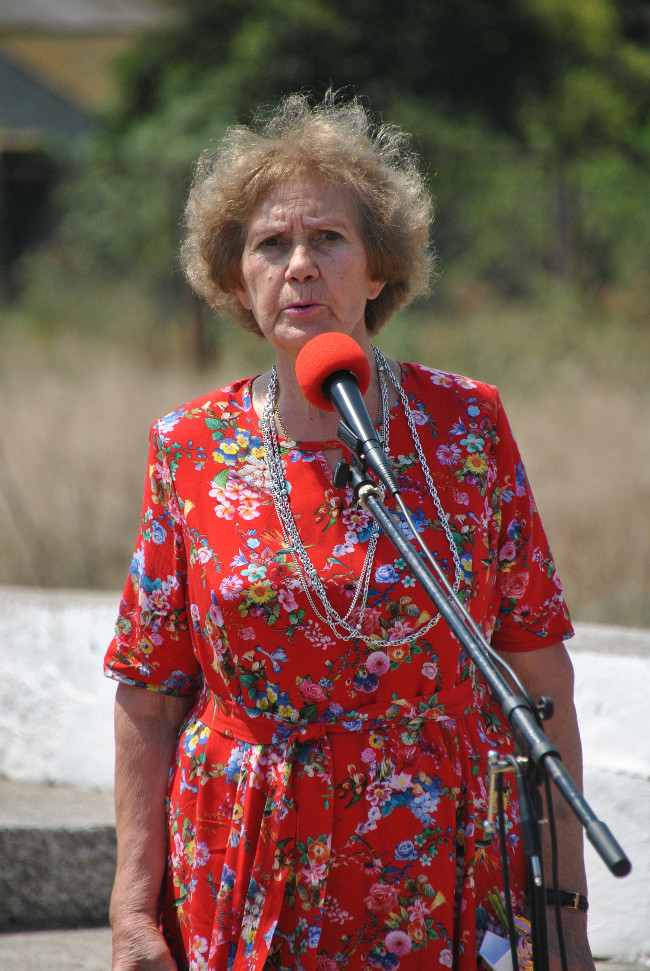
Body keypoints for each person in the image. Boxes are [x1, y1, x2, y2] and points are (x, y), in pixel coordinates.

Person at [104, 93, 594, 971]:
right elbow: (149, 694)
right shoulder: (188, 449)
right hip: (246, 870)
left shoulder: (466, 428)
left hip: (435, 873)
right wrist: (132, 911)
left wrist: (562, 919)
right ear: (237, 280)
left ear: (377, 270)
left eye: (327, 239)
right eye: (270, 245)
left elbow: (538, 674)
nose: (299, 266)